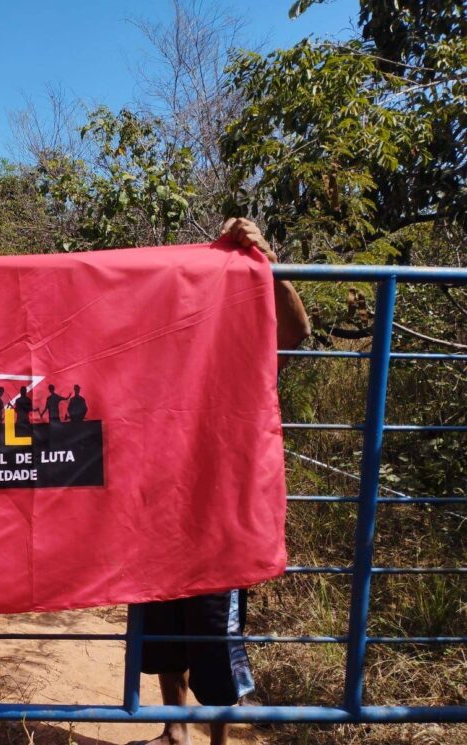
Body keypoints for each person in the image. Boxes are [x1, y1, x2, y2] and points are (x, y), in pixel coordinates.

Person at [137, 218, 310, 745]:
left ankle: (215, 738)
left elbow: (296, 333)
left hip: (219, 515)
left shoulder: (238, 344)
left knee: (215, 633)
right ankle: (175, 729)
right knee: (164, 629)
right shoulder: (148, 353)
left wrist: (269, 269)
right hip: (153, 509)